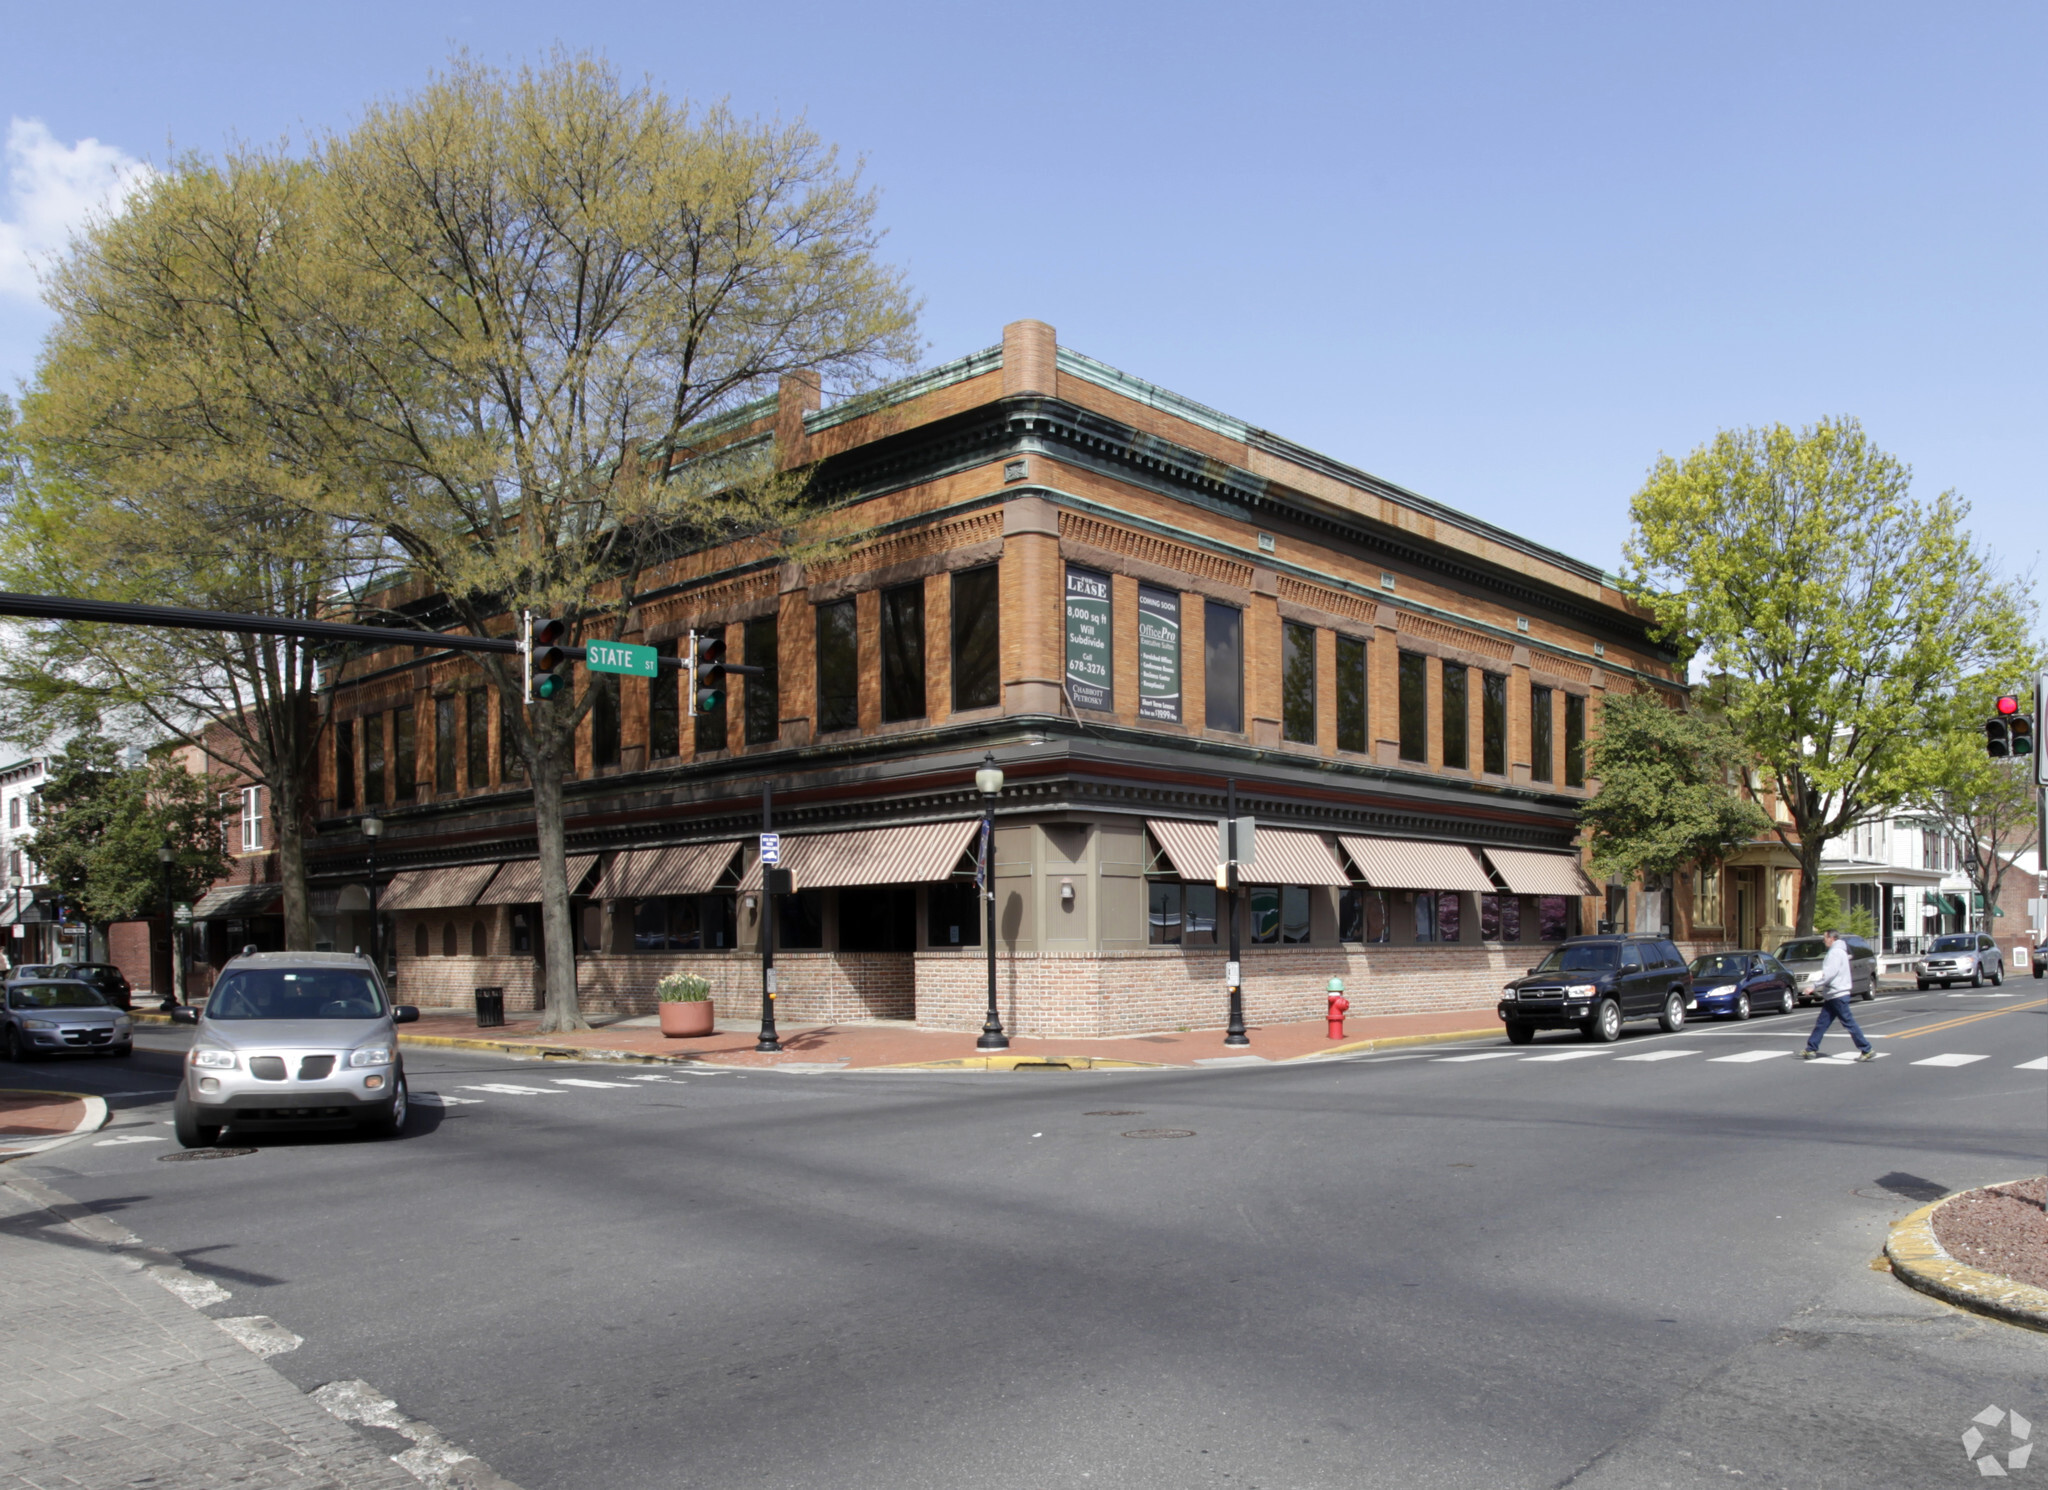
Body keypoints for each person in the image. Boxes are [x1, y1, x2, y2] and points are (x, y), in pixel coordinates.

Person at [1802, 928, 1875, 1061]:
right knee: (1822, 1023)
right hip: (1834, 994)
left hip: (1837, 993)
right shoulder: (1841, 951)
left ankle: (1866, 1049)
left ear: (1832, 938)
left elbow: (1830, 973)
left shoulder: (1835, 952)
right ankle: (1811, 1049)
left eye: (1825, 938)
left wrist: (1813, 986)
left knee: (1849, 1023)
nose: (1824, 941)